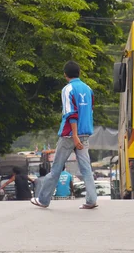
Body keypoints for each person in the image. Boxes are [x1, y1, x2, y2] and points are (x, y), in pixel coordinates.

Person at [31, 61, 98, 210]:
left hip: (69, 136)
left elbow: (71, 114)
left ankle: (43, 199)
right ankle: (92, 200)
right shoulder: (88, 89)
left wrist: (74, 135)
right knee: (86, 169)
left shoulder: (67, 89)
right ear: (79, 73)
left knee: (56, 168)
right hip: (85, 134)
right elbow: (90, 111)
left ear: (65, 75)